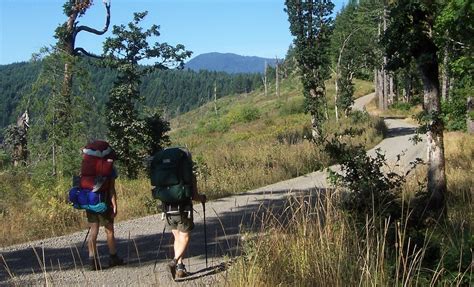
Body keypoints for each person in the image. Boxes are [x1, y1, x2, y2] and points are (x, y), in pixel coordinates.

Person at [81, 141, 124, 271]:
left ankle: (92, 260)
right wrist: (114, 205)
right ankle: (113, 257)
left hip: (90, 200)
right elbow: (111, 189)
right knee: (109, 229)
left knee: (93, 230)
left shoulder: (88, 166)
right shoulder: (109, 168)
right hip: (104, 201)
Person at [166, 170, 206, 279]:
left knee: (177, 238)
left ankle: (180, 267)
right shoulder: (188, 174)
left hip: (168, 210)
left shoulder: (166, 172)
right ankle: (174, 262)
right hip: (183, 210)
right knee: (185, 237)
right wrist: (202, 198)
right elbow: (194, 196)